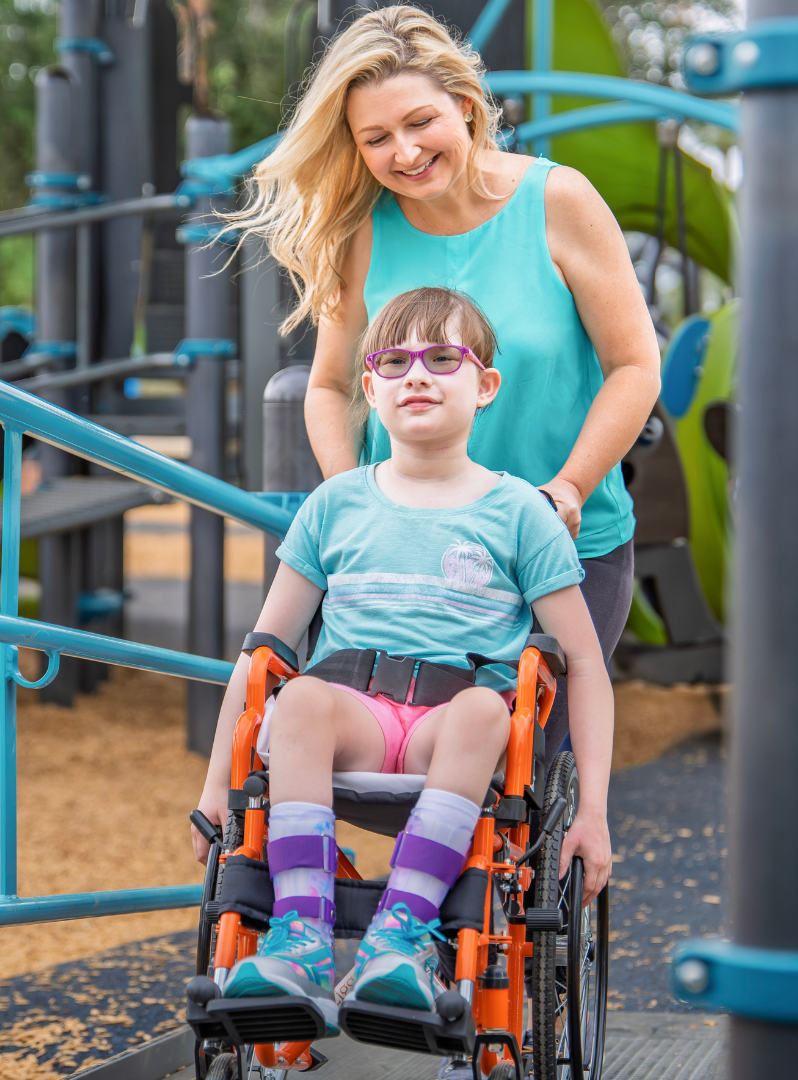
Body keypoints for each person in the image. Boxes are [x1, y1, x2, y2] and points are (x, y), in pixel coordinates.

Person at [190, 288, 614, 1038]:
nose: (417, 375)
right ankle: (301, 942)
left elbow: (582, 661)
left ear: (484, 386)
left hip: (451, 730)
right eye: (395, 360)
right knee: (297, 698)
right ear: (370, 389)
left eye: (442, 358)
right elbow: (260, 652)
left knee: (491, 706)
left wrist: (594, 815)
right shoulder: (335, 506)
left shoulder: (520, 513)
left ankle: (400, 938)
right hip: (350, 716)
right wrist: (215, 783)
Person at [221, 6, 660, 703]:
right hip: (409, 557)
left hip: (557, 550)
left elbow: (635, 365)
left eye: (420, 121)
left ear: (462, 105)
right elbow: (332, 385)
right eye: (376, 137)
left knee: (526, 779)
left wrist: (570, 488)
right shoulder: (364, 231)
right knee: (403, 775)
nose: (403, 151)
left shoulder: (559, 200)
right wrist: (351, 503)